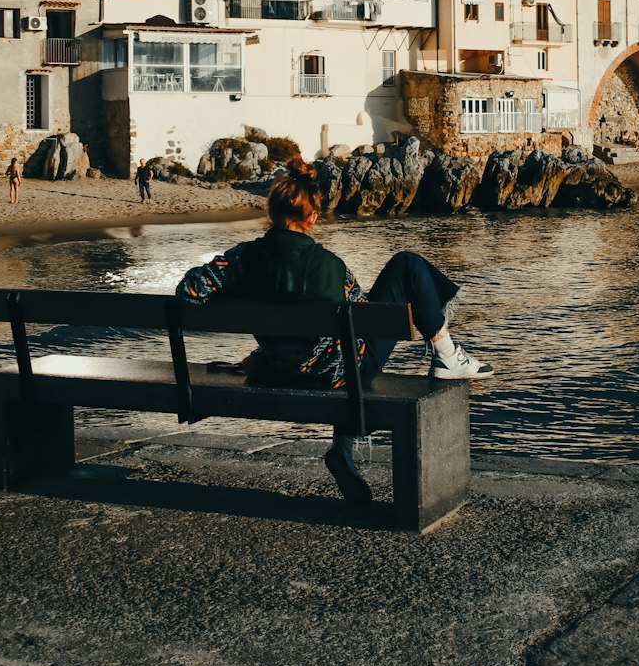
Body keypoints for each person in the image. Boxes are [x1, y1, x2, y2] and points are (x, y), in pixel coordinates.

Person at [175, 156, 491, 505]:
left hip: (281, 368)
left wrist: (240, 286)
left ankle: (343, 449)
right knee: (408, 265)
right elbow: (363, 317)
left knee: (337, 341)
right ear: (311, 218)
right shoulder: (330, 265)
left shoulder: (242, 258)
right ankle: (447, 353)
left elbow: (189, 291)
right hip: (343, 375)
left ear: (271, 212)